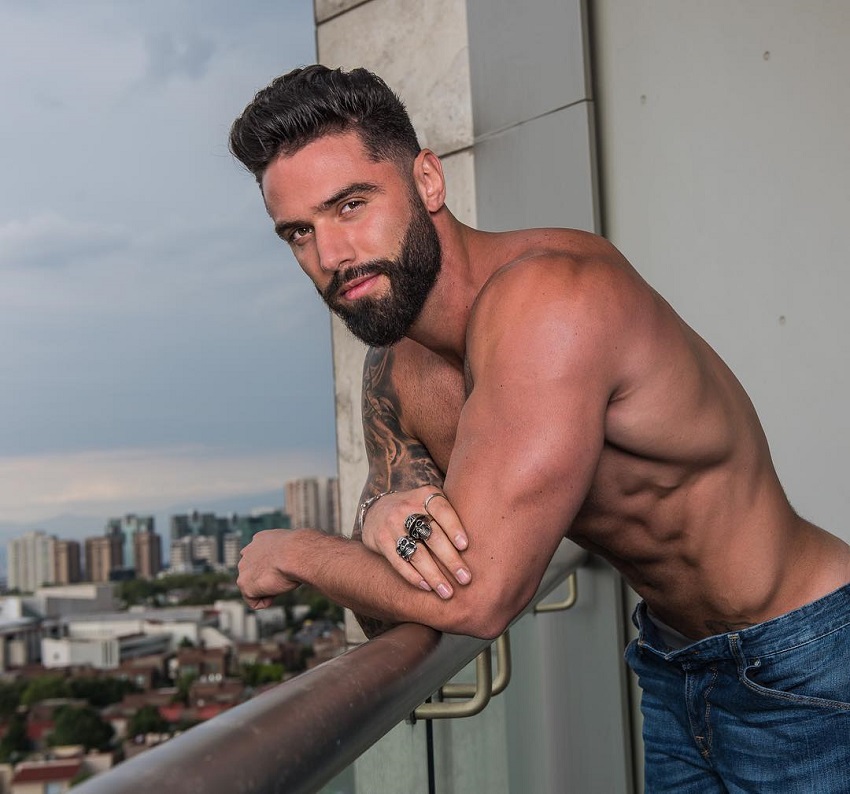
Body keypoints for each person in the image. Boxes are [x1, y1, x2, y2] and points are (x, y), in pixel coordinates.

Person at [231, 65, 850, 790]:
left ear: (428, 181)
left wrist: (292, 549)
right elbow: (390, 613)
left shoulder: (549, 297)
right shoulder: (393, 372)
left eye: (350, 205)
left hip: (806, 658)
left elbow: (477, 597)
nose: (331, 256)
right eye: (298, 233)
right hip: (673, 664)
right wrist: (379, 518)